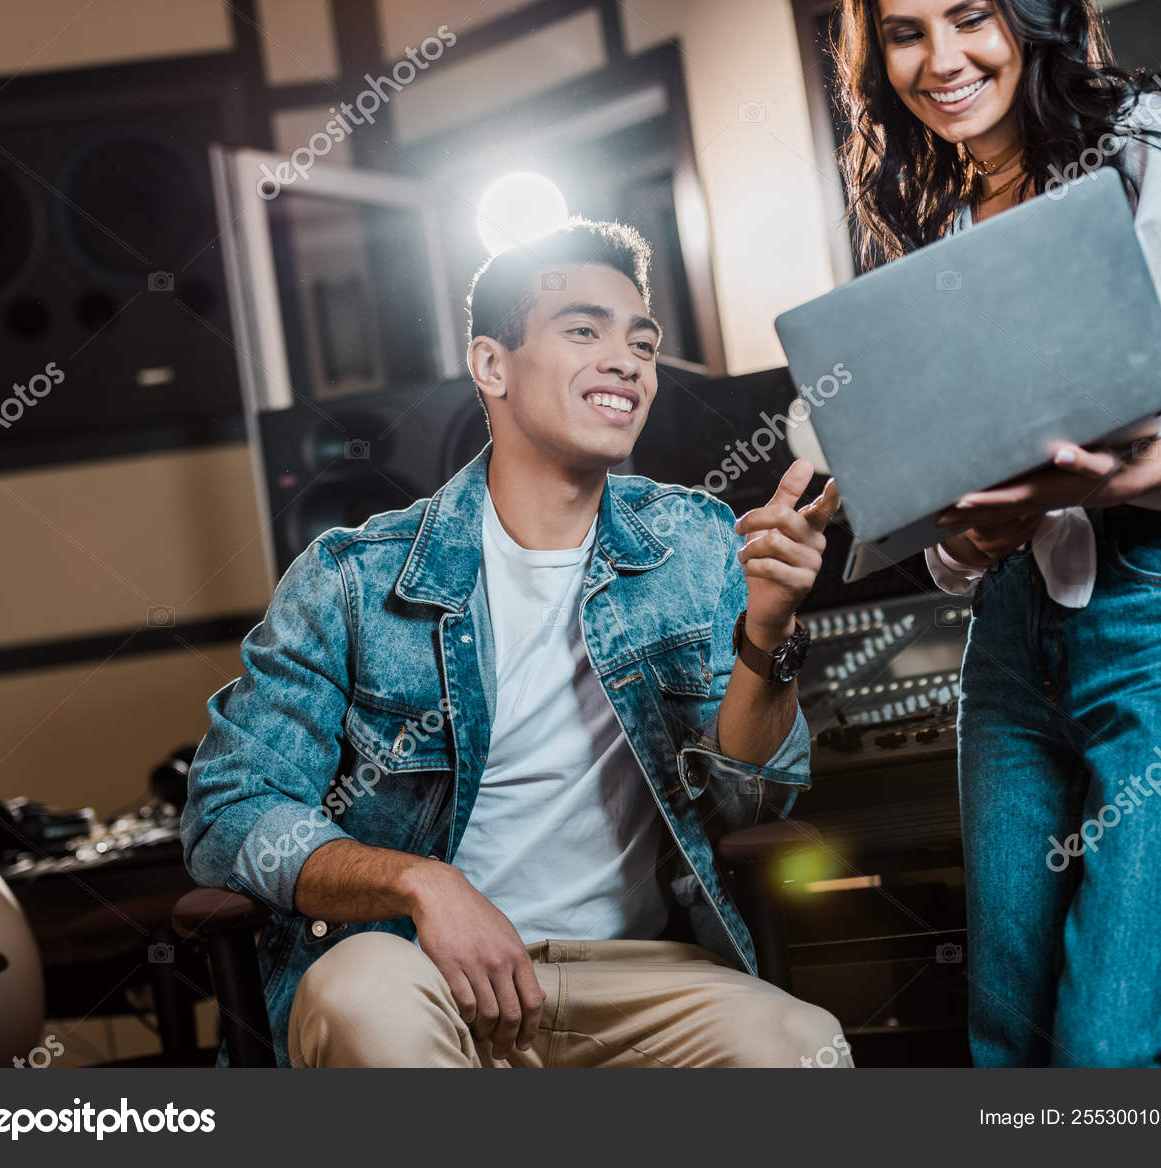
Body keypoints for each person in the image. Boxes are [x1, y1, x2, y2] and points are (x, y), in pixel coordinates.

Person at [180, 218, 850, 1068]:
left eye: (642, 344)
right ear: (492, 364)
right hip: (425, 979)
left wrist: (770, 626)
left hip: (640, 976)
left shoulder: (696, 541)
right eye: (584, 331)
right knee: (362, 999)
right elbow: (231, 810)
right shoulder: (352, 578)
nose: (626, 362)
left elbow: (754, 804)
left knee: (804, 1045)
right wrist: (419, 883)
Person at [831, 0, 1161, 1065]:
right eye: (905, 33)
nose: (941, 59)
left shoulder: (1149, 148)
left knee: (1110, 1056)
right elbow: (957, 552)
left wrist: (1097, 485)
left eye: (970, 17)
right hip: (1008, 646)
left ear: (1036, 21)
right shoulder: (942, 220)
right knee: (1008, 1044)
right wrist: (950, 517)